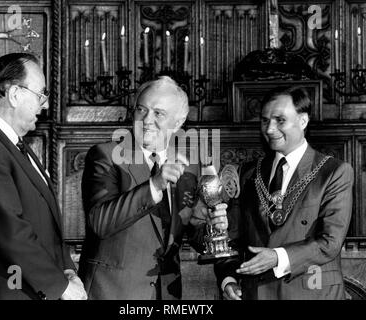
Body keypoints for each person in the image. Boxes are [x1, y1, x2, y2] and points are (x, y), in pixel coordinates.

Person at [78, 76, 228, 299]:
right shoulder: (107, 155)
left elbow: (194, 234)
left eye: (158, 113)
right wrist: (154, 185)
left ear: (178, 123)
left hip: (167, 293)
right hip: (112, 292)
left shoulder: (189, 165)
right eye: (141, 110)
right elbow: (99, 222)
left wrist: (212, 227)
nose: (146, 120)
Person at [0, 53, 87, 300]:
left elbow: (44, 221)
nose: (45, 104)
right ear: (14, 94)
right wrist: (60, 286)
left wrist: (65, 268)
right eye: (41, 95)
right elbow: (10, 229)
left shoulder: (9, 141)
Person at [216, 86, 353, 300]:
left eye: (280, 120)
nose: (269, 129)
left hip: (313, 292)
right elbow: (232, 239)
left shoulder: (334, 172)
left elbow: (330, 242)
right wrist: (229, 279)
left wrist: (277, 257)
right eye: (264, 120)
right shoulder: (247, 173)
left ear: (303, 121)